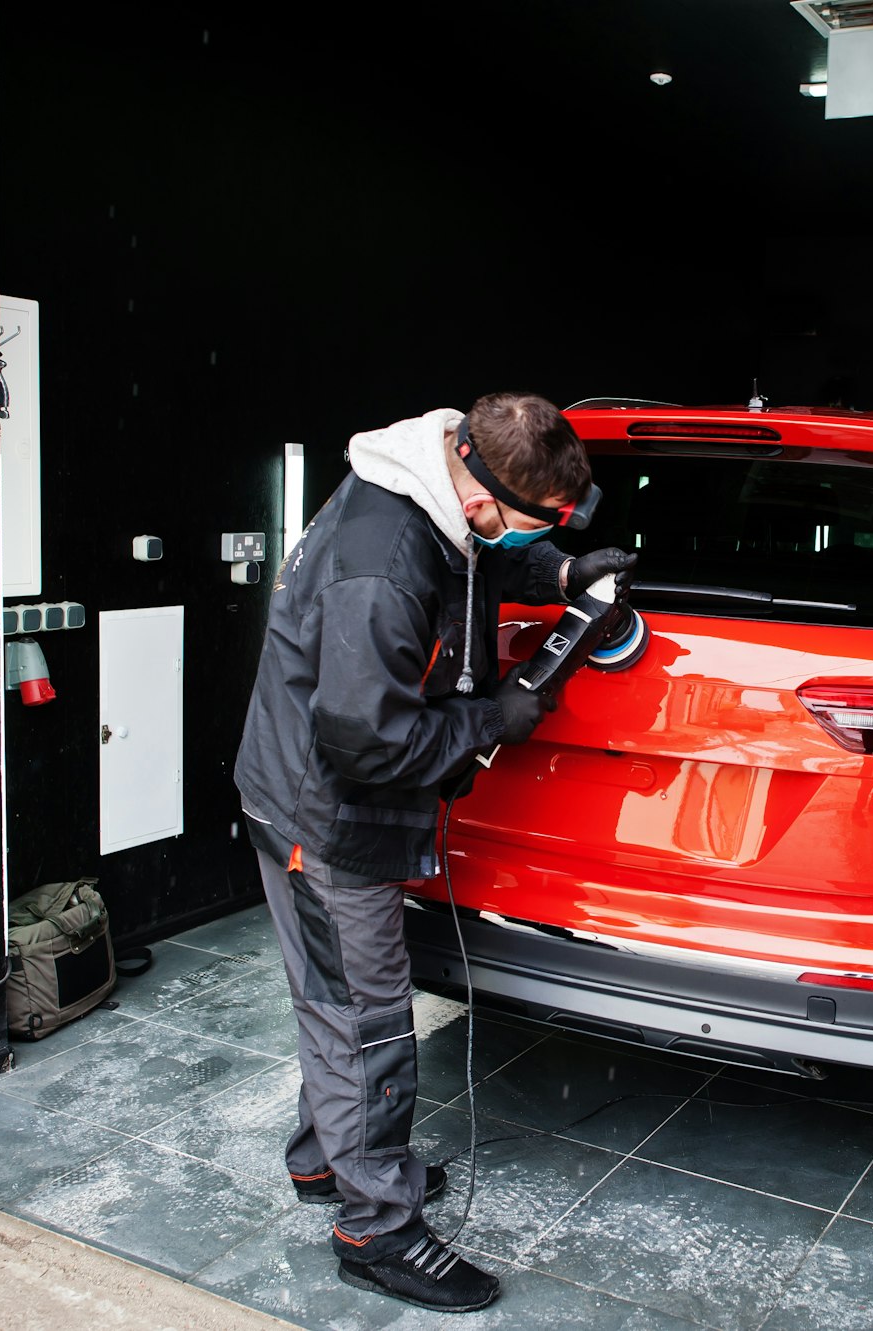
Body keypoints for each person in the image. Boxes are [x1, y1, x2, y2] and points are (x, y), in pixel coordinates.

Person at [233, 391, 634, 1314]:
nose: (544, 532)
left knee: (336, 998)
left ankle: (326, 1159)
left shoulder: (438, 481)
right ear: (484, 496)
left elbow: (486, 558)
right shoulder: (385, 567)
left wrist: (561, 571)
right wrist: (495, 716)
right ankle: (377, 1227)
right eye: (541, 521)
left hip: (315, 782)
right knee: (366, 1016)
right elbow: (367, 743)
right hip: (324, 812)